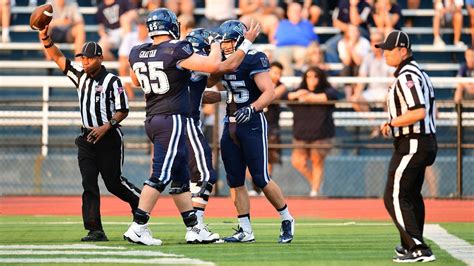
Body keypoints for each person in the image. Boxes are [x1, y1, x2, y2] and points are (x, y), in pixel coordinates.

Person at [122, 8, 249, 246]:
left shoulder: (137, 51)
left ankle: (194, 228)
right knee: (160, 175)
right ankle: (138, 226)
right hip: (172, 119)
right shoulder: (176, 49)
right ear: (170, 25)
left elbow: (136, 81)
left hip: (153, 118)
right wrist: (214, 43)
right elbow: (213, 65)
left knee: (180, 178)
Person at [38, 28, 141, 242]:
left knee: (113, 183)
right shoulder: (80, 76)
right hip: (86, 139)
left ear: (100, 58)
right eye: (83, 58)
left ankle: (140, 204)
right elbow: (58, 57)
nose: (85, 62)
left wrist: (106, 127)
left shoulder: (112, 81)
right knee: (89, 183)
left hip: (109, 138)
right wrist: (45, 38)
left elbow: (123, 110)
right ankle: (95, 229)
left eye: (89, 58)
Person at [208, 20, 295, 244]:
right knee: (235, 180)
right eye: (223, 41)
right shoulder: (223, 59)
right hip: (231, 121)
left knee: (260, 178)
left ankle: (287, 218)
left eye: (228, 41)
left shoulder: (254, 57)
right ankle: (245, 229)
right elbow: (210, 82)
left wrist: (253, 108)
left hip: (252, 121)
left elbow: (269, 91)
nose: (225, 45)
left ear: (238, 39)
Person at [184, 25, 261, 240]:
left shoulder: (179, 63)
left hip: (167, 124)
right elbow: (227, 65)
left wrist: (230, 98)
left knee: (181, 180)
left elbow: (202, 93)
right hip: (185, 124)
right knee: (206, 174)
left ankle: (143, 222)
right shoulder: (198, 63)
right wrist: (246, 42)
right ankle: (195, 227)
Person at [376, 30, 437, 263]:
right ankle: (409, 242)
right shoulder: (418, 72)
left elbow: (418, 111)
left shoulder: (406, 76)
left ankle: (417, 247)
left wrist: (392, 122)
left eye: (388, 50)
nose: (384, 54)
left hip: (413, 142)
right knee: (410, 195)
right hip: (424, 141)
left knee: (393, 195)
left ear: (403, 51)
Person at [283, 67, 338, 197]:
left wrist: (308, 97)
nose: (312, 80)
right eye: (309, 77)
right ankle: (316, 183)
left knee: (316, 160)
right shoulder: (298, 91)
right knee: (298, 162)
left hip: (321, 134)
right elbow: (286, 96)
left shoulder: (327, 90)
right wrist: (297, 95)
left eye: (315, 77)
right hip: (301, 134)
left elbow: (329, 96)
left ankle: (315, 191)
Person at [273, 1, 319, 76]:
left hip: (303, 49)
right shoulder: (282, 24)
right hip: (284, 48)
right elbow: (274, 40)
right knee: (282, 56)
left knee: (305, 53)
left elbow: (314, 41)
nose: (296, 13)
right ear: (288, 13)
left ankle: (301, 77)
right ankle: (288, 81)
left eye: (298, 11)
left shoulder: (307, 24)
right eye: (294, 11)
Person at [118, 11, 151, 101]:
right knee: (123, 65)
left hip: (147, 65)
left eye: (144, 25)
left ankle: (148, 96)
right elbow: (122, 57)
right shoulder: (130, 37)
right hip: (133, 65)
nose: (142, 27)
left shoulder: (152, 39)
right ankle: (131, 96)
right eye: (140, 24)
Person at [265, 61, 287, 176]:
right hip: (257, 123)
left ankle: (263, 185)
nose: (277, 76)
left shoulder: (281, 86)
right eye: (275, 72)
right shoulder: (258, 82)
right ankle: (255, 186)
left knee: (270, 157)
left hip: (272, 126)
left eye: (279, 73)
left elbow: (271, 95)